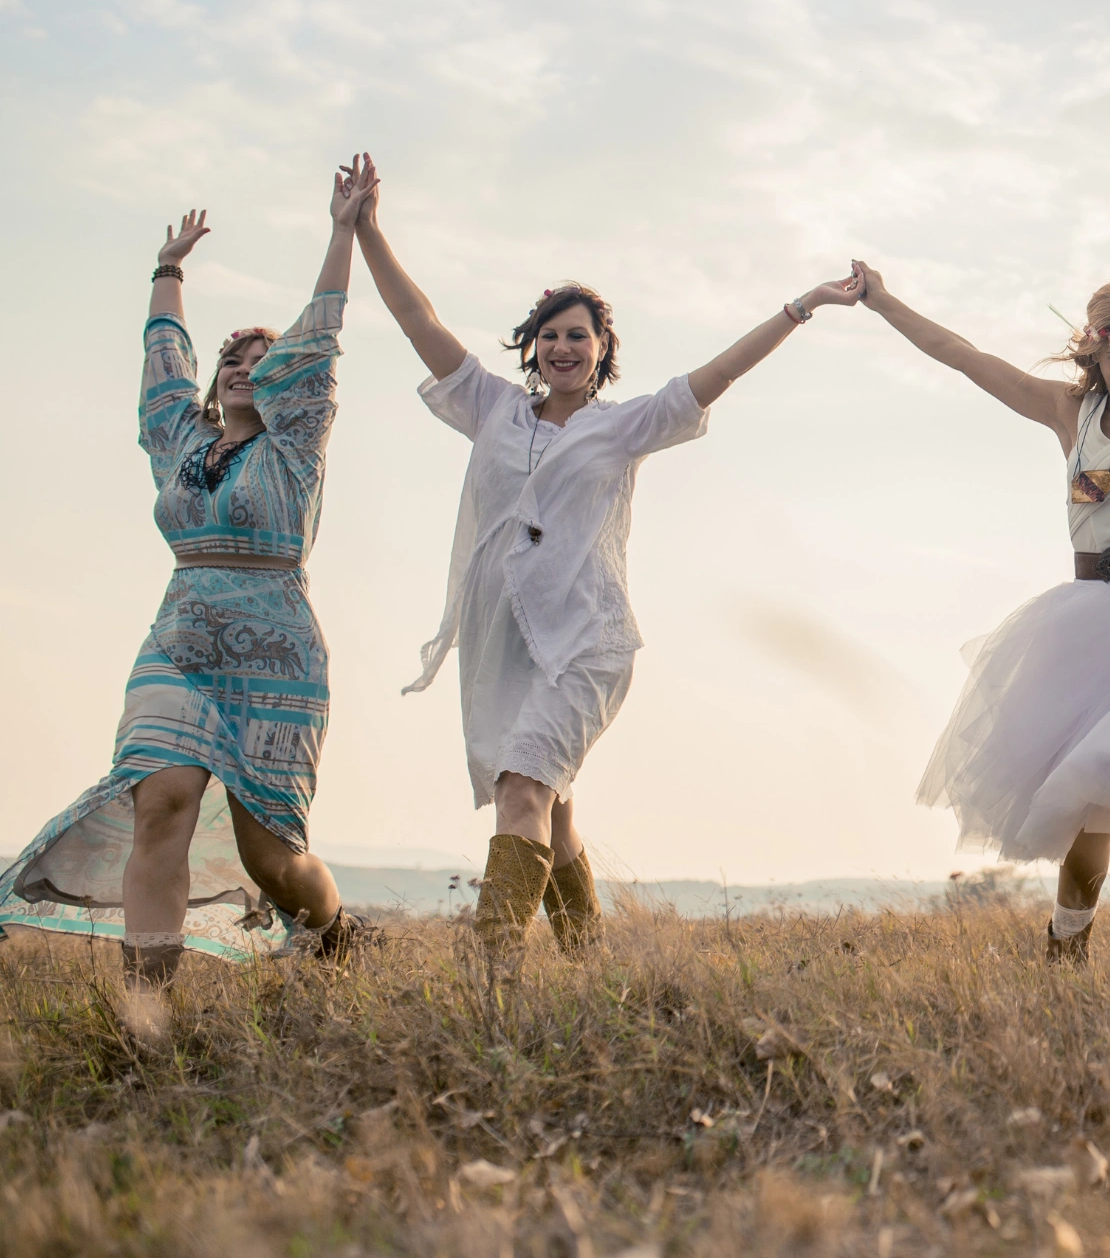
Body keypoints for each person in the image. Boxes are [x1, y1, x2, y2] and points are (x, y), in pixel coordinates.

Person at [350, 153, 861, 964]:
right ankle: (591, 964)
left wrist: (802, 306)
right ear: (532, 348)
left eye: (578, 336)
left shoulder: (624, 426)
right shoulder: (491, 408)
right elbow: (419, 321)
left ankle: (493, 977)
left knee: (523, 787)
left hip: (585, 641)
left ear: (600, 349)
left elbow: (719, 373)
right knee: (552, 814)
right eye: (550, 335)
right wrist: (368, 230)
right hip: (502, 643)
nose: (562, 346)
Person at [0, 166, 378, 990]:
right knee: (162, 798)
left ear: (288, 384)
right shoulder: (180, 441)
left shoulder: (295, 446)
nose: (246, 367)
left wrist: (343, 231)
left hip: (275, 658)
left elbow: (320, 332)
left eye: (263, 360)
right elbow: (164, 361)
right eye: (233, 358)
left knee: (272, 857)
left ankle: (334, 930)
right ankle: (147, 1006)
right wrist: (168, 270)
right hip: (177, 644)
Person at [854, 255, 1110, 958]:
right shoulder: (1068, 413)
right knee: (1087, 796)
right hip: (1090, 616)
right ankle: (1067, 942)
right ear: (1094, 353)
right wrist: (882, 301)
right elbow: (961, 354)